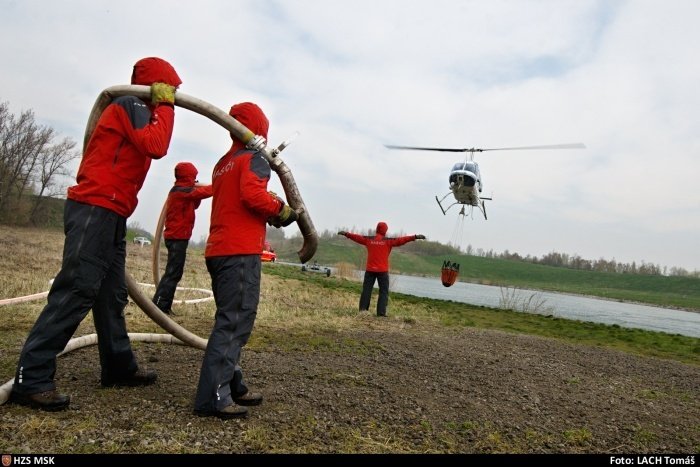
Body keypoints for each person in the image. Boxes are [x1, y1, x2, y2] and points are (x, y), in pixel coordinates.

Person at [8, 57, 182, 411]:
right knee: (76, 289)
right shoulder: (130, 104)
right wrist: (165, 106)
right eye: (170, 88)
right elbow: (156, 145)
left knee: (110, 295)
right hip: (96, 209)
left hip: (113, 212)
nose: (175, 94)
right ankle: (33, 377)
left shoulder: (135, 110)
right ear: (156, 86)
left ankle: (118, 366)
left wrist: (161, 106)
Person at [193, 102, 297, 419]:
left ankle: (232, 385)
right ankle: (213, 398)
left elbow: (239, 199)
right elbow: (253, 196)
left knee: (229, 319)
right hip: (239, 252)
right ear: (259, 128)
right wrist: (280, 209)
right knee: (235, 322)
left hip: (219, 250)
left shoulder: (224, 162)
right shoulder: (254, 158)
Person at [152, 162, 212, 314]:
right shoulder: (181, 191)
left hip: (179, 237)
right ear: (188, 176)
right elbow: (202, 193)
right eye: (194, 177)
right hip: (177, 238)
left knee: (174, 272)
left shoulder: (182, 191)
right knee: (173, 272)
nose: (195, 180)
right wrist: (221, 183)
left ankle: (164, 306)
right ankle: (159, 305)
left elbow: (195, 203)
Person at [339, 223, 425, 317]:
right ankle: (381, 313)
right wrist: (415, 237)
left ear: (376, 229)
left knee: (367, 290)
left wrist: (346, 234)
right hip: (382, 271)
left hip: (370, 270)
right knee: (383, 292)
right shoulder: (388, 241)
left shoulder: (369, 239)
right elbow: (402, 240)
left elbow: (357, 237)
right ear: (385, 231)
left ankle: (363, 311)